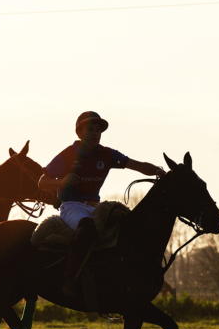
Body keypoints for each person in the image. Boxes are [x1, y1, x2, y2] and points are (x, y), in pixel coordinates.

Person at [37, 111, 165, 299]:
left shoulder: (107, 154)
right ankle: (69, 280)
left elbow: (137, 165)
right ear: (80, 133)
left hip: (95, 207)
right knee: (87, 229)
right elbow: (42, 182)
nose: (95, 134)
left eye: (98, 130)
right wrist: (61, 181)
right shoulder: (67, 155)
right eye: (91, 130)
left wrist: (158, 171)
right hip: (72, 206)